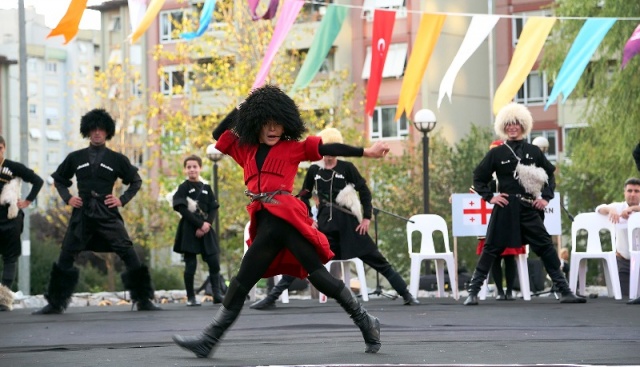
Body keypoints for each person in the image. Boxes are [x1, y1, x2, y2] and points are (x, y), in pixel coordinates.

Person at [172, 85, 388, 358]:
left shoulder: (292, 148)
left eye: (278, 124)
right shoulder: (246, 150)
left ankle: (208, 340)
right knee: (304, 277)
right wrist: (244, 105)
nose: (273, 129)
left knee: (258, 280)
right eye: (267, 123)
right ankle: (368, 322)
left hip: (286, 218)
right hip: (266, 221)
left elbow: (326, 146)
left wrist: (366, 151)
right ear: (256, 124)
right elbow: (218, 136)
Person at [249, 127, 418, 310]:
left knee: (377, 259)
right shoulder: (314, 170)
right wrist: (307, 217)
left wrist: (367, 218)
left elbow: (364, 191)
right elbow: (303, 194)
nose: (328, 156)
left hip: (349, 226)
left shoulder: (347, 168)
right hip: (325, 226)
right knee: (304, 258)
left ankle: (406, 294)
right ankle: (271, 298)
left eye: (332, 151)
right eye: (326, 151)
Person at [32, 109, 161, 315]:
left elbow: (135, 181)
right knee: (66, 253)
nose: (97, 133)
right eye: (93, 130)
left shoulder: (116, 159)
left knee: (128, 251)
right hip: (82, 213)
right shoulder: (75, 157)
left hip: (107, 212)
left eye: (101, 130)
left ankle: (144, 299)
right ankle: (55, 303)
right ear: (88, 132)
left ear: (107, 132)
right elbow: (59, 179)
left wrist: (121, 200)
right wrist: (68, 198)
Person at [463, 102, 585, 305]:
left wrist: (545, 198)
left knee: (545, 245)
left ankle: (564, 291)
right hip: (505, 208)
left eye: (516, 123)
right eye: (509, 124)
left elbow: (549, 176)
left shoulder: (534, 151)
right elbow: (478, 177)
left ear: (523, 125)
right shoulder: (496, 153)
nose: (512, 127)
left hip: (529, 207)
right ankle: (473, 293)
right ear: (503, 126)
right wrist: (490, 197)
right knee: (491, 248)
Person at [472, 139, 526, 301]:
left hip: (509, 219)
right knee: (493, 256)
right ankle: (499, 291)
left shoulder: (512, 176)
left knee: (510, 256)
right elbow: (477, 190)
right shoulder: (488, 178)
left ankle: (509, 290)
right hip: (491, 221)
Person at [172, 154, 223, 306]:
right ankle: (190, 297)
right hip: (189, 230)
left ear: (200, 168)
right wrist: (199, 225)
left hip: (206, 229)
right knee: (191, 265)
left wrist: (207, 224)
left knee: (214, 262)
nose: (192, 169)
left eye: (195, 166)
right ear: (185, 170)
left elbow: (213, 208)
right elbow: (182, 209)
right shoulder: (183, 187)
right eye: (189, 167)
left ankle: (217, 294)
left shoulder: (206, 187)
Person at [0, 135, 43, 311]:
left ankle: (3, 301)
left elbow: (38, 181)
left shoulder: (12, 167)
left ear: (3, 148)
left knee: (10, 259)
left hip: (11, 220)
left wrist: (27, 201)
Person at [595, 177, 640, 303]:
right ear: (624, 193)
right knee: (624, 301)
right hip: (623, 263)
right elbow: (599, 208)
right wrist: (611, 210)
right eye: (630, 190)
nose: (633, 194)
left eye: (637, 191)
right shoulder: (618, 207)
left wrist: (633, 209)